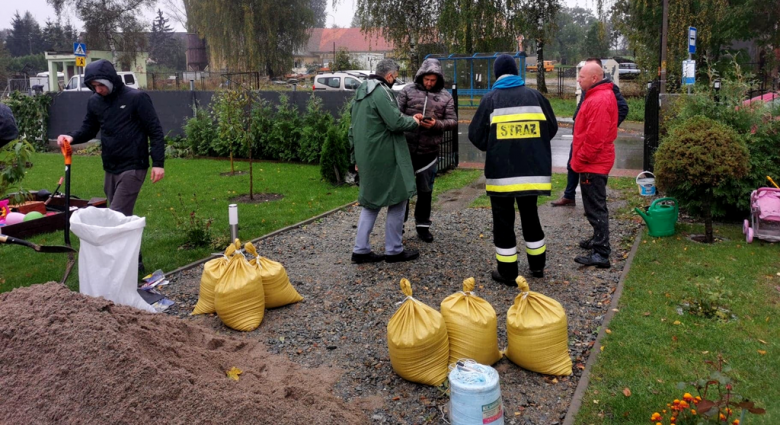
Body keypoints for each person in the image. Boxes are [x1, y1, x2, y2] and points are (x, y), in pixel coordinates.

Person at [57, 59, 165, 272]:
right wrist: (71, 137)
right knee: (121, 218)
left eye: (101, 85)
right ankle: (136, 262)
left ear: (111, 80)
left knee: (114, 217)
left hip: (134, 165)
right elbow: (89, 129)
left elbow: (155, 130)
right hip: (111, 166)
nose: (99, 90)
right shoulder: (95, 101)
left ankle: (116, 266)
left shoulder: (137, 98)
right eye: (94, 86)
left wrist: (158, 163)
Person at [468, 54, 558, 283]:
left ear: (497, 74)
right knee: (531, 217)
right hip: (532, 173)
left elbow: (475, 136)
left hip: (502, 174)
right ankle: (537, 266)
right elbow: (552, 128)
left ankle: (508, 272)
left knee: (503, 222)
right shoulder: (535, 97)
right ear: (516, 72)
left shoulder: (491, 99)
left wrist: (496, 145)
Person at [350, 59, 423, 264]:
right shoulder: (381, 91)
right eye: (395, 76)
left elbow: (354, 127)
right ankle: (394, 249)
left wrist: (355, 156)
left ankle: (361, 249)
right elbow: (394, 122)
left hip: (367, 155)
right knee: (398, 199)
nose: (395, 80)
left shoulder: (361, 90)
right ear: (390, 76)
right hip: (386, 155)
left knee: (371, 202)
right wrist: (415, 122)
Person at [551, 57, 628, 207]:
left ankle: (593, 204)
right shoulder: (589, 89)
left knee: (591, 173)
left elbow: (623, 108)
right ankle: (570, 195)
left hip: (592, 140)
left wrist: (608, 126)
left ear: (596, 75)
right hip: (581, 136)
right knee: (572, 165)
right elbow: (583, 106)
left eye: (583, 75)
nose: (579, 79)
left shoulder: (607, 90)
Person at [397, 58, 458, 243]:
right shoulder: (407, 91)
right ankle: (397, 227)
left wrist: (436, 124)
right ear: (421, 76)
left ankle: (423, 227)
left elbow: (453, 121)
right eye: (426, 80)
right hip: (405, 150)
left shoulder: (446, 96)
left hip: (429, 152)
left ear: (438, 79)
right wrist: (410, 119)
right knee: (402, 192)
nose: (429, 83)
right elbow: (394, 114)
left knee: (426, 191)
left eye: (433, 80)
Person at [570, 62, 618, 268]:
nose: (578, 79)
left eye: (582, 76)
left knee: (595, 207)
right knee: (594, 205)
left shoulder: (599, 99)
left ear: (594, 78)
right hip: (594, 161)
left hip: (593, 163)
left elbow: (594, 138)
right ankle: (598, 240)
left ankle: (601, 252)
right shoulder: (598, 96)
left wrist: (579, 160)